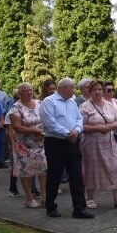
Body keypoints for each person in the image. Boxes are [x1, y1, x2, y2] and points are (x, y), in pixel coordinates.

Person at [38, 77, 94, 219]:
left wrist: (75, 131)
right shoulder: (49, 102)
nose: (74, 90)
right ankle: (50, 206)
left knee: (76, 175)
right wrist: (66, 133)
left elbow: (79, 119)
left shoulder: (72, 102)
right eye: (72, 88)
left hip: (73, 141)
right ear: (64, 88)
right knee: (54, 175)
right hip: (55, 142)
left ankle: (79, 208)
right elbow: (49, 122)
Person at [80, 80, 117, 210]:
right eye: (94, 89)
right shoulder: (84, 107)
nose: (97, 92)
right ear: (90, 91)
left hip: (110, 142)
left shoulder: (110, 105)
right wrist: (98, 128)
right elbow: (81, 126)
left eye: (100, 89)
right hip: (91, 144)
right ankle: (90, 198)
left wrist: (107, 126)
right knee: (91, 170)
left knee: (114, 169)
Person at [8, 83, 47, 208]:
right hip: (24, 145)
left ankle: (45, 197)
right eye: (25, 91)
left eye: (30, 90)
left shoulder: (39, 104)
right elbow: (17, 127)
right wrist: (35, 130)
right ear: (19, 93)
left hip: (41, 143)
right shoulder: (16, 108)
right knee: (26, 171)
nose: (29, 93)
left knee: (44, 169)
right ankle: (29, 198)